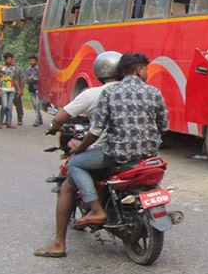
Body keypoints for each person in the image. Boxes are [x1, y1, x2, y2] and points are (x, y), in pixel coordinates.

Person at [65, 52, 168, 230]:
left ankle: (96, 209)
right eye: (146, 70)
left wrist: (81, 148)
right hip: (148, 156)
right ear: (139, 70)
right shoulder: (154, 92)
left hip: (118, 155)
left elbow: (96, 130)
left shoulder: (110, 92)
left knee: (75, 164)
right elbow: (164, 126)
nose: (147, 74)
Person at [34, 51, 122, 258]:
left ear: (100, 72)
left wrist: (55, 127)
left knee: (72, 172)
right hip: (140, 151)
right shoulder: (133, 91)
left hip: (108, 151)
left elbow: (67, 118)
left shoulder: (94, 94)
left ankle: (60, 243)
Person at [0, 52, 22, 129]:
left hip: (11, 89)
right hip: (3, 88)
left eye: (11, 59)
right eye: (9, 59)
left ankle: (8, 122)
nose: (10, 61)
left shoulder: (13, 69)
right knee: (4, 105)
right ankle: (0, 122)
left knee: (10, 107)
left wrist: (19, 89)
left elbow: (15, 79)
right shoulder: (0, 68)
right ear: (5, 59)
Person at [24, 55, 43, 126]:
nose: (32, 62)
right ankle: (40, 119)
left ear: (36, 61)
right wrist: (28, 79)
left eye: (33, 60)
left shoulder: (39, 69)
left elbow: (41, 78)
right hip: (31, 88)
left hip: (38, 88)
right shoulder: (27, 69)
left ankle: (37, 120)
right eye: (30, 60)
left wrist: (33, 78)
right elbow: (25, 79)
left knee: (37, 104)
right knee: (34, 105)